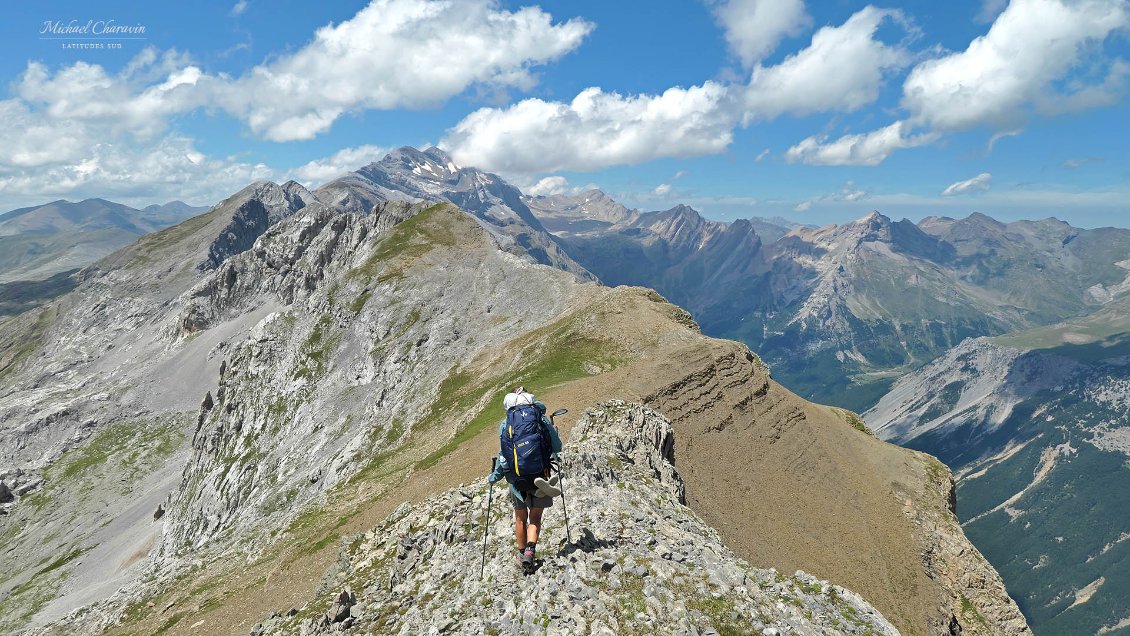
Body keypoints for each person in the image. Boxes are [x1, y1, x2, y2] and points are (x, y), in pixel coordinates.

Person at [486, 387, 562, 571]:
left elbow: (503, 455)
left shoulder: (506, 424)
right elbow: (557, 447)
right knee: (535, 517)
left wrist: (494, 477)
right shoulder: (540, 419)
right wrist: (555, 434)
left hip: (516, 480)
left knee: (520, 518)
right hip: (540, 474)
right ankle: (530, 550)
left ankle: (522, 555)